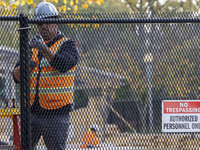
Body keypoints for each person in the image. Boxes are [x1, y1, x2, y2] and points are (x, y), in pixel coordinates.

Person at [12, 2, 79, 150]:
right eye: (40, 23)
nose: (43, 26)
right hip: (31, 113)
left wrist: (43, 48)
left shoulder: (68, 45)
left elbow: (63, 65)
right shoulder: (31, 47)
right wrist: (24, 65)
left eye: (48, 22)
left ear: (56, 22)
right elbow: (16, 78)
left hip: (56, 114)